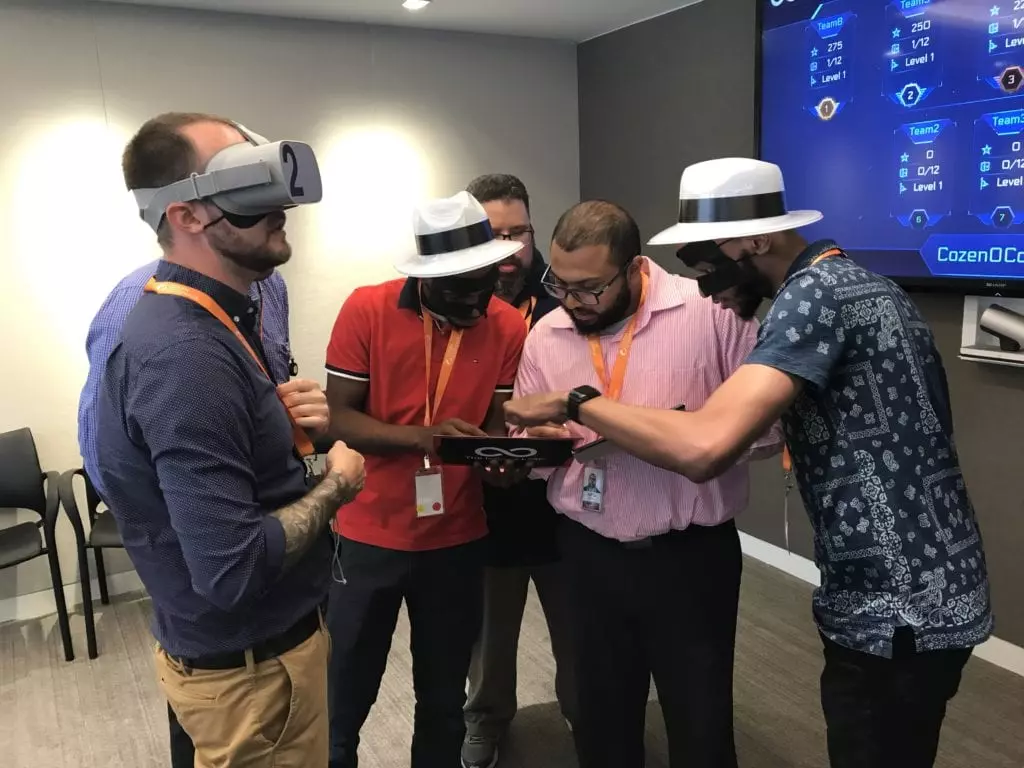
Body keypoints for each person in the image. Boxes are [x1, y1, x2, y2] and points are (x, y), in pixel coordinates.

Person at [505, 158, 994, 768]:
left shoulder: (812, 298)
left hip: (894, 605)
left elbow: (707, 447)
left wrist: (581, 402)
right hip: (913, 587)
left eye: (707, 265)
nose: (705, 287)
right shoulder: (859, 285)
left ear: (754, 240)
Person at [94, 112, 366, 767]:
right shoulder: (186, 353)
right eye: (247, 183)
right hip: (253, 677)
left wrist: (289, 429)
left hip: (257, 656)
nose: (280, 206)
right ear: (186, 215)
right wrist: (337, 482)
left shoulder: (232, 310)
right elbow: (231, 570)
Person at [510, 199, 782, 768]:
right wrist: (529, 452)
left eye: (589, 288)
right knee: (599, 718)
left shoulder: (713, 314)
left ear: (634, 268)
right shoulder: (546, 334)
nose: (573, 303)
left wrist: (678, 438)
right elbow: (535, 448)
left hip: (690, 558)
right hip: (586, 556)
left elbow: (771, 431)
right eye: (559, 285)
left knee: (700, 718)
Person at [323, 191, 529, 768]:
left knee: (442, 699)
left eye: (483, 284)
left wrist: (501, 462)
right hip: (368, 533)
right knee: (345, 693)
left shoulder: (508, 324)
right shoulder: (366, 309)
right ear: (425, 280)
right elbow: (338, 418)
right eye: (457, 289)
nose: (474, 300)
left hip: (458, 540)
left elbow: (492, 427)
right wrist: (425, 438)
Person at [77, 260, 291, 768]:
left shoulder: (269, 285)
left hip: (279, 577)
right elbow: (102, 457)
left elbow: (265, 386)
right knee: (207, 728)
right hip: (206, 598)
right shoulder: (135, 304)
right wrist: (194, 520)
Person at [460, 174, 576, 768]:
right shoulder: (459, 308)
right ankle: (485, 720)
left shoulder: (572, 300)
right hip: (487, 504)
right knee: (489, 632)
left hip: (566, 500)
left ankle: (586, 714)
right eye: (493, 234)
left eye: (518, 232)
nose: (509, 247)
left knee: (579, 629)